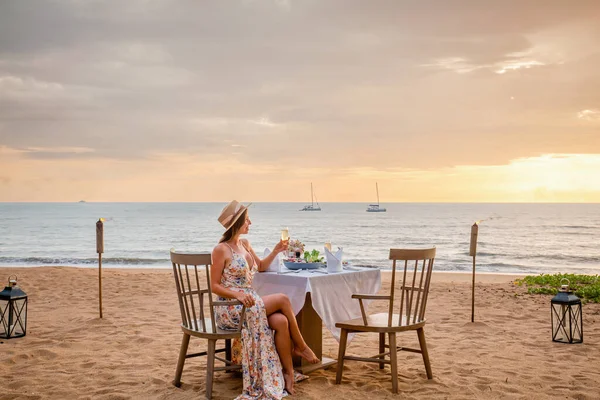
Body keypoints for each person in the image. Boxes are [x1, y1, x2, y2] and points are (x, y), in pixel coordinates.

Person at [211, 200, 319, 398]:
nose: (250, 223)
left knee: (281, 321)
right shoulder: (221, 250)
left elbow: (260, 266)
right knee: (283, 299)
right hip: (231, 307)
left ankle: (287, 373)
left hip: (249, 303)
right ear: (237, 223)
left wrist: (277, 250)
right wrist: (237, 294)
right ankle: (301, 346)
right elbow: (214, 285)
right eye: (246, 220)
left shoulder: (244, 244)